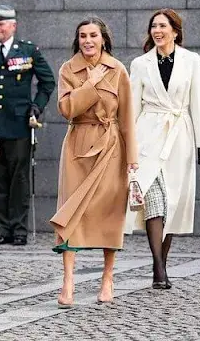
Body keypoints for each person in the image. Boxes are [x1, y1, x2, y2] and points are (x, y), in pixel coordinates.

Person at [49, 17, 138, 307]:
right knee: (71, 212)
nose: (88, 40)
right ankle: (68, 281)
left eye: (93, 35)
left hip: (112, 148)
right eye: (83, 35)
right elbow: (67, 108)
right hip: (77, 147)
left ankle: (108, 278)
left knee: (110, 213)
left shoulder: (118, 69)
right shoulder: (67, 69)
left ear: (103, 39)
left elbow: (126, 118)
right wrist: (93, 82)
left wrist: (132, 159)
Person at [125, 8, 200, 289]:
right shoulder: (140, 64)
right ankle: (159, 267)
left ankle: (160, 262)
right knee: (154, 199)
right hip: (147, 136)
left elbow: (199, 104)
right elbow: (132, 108)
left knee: (172, 204)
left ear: (175, 30)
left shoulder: (192, 61)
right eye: (153, 26)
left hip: (180, 139)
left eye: (163, 26)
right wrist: (129, 146)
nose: (157, 31)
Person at [0, 5, 55, 246]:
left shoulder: (27, 50)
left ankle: (19, 230)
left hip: (19, 126)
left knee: (20, 180)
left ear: (13, 25)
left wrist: (37, 106)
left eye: (1, 23)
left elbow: (48, 81)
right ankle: (4, 229)